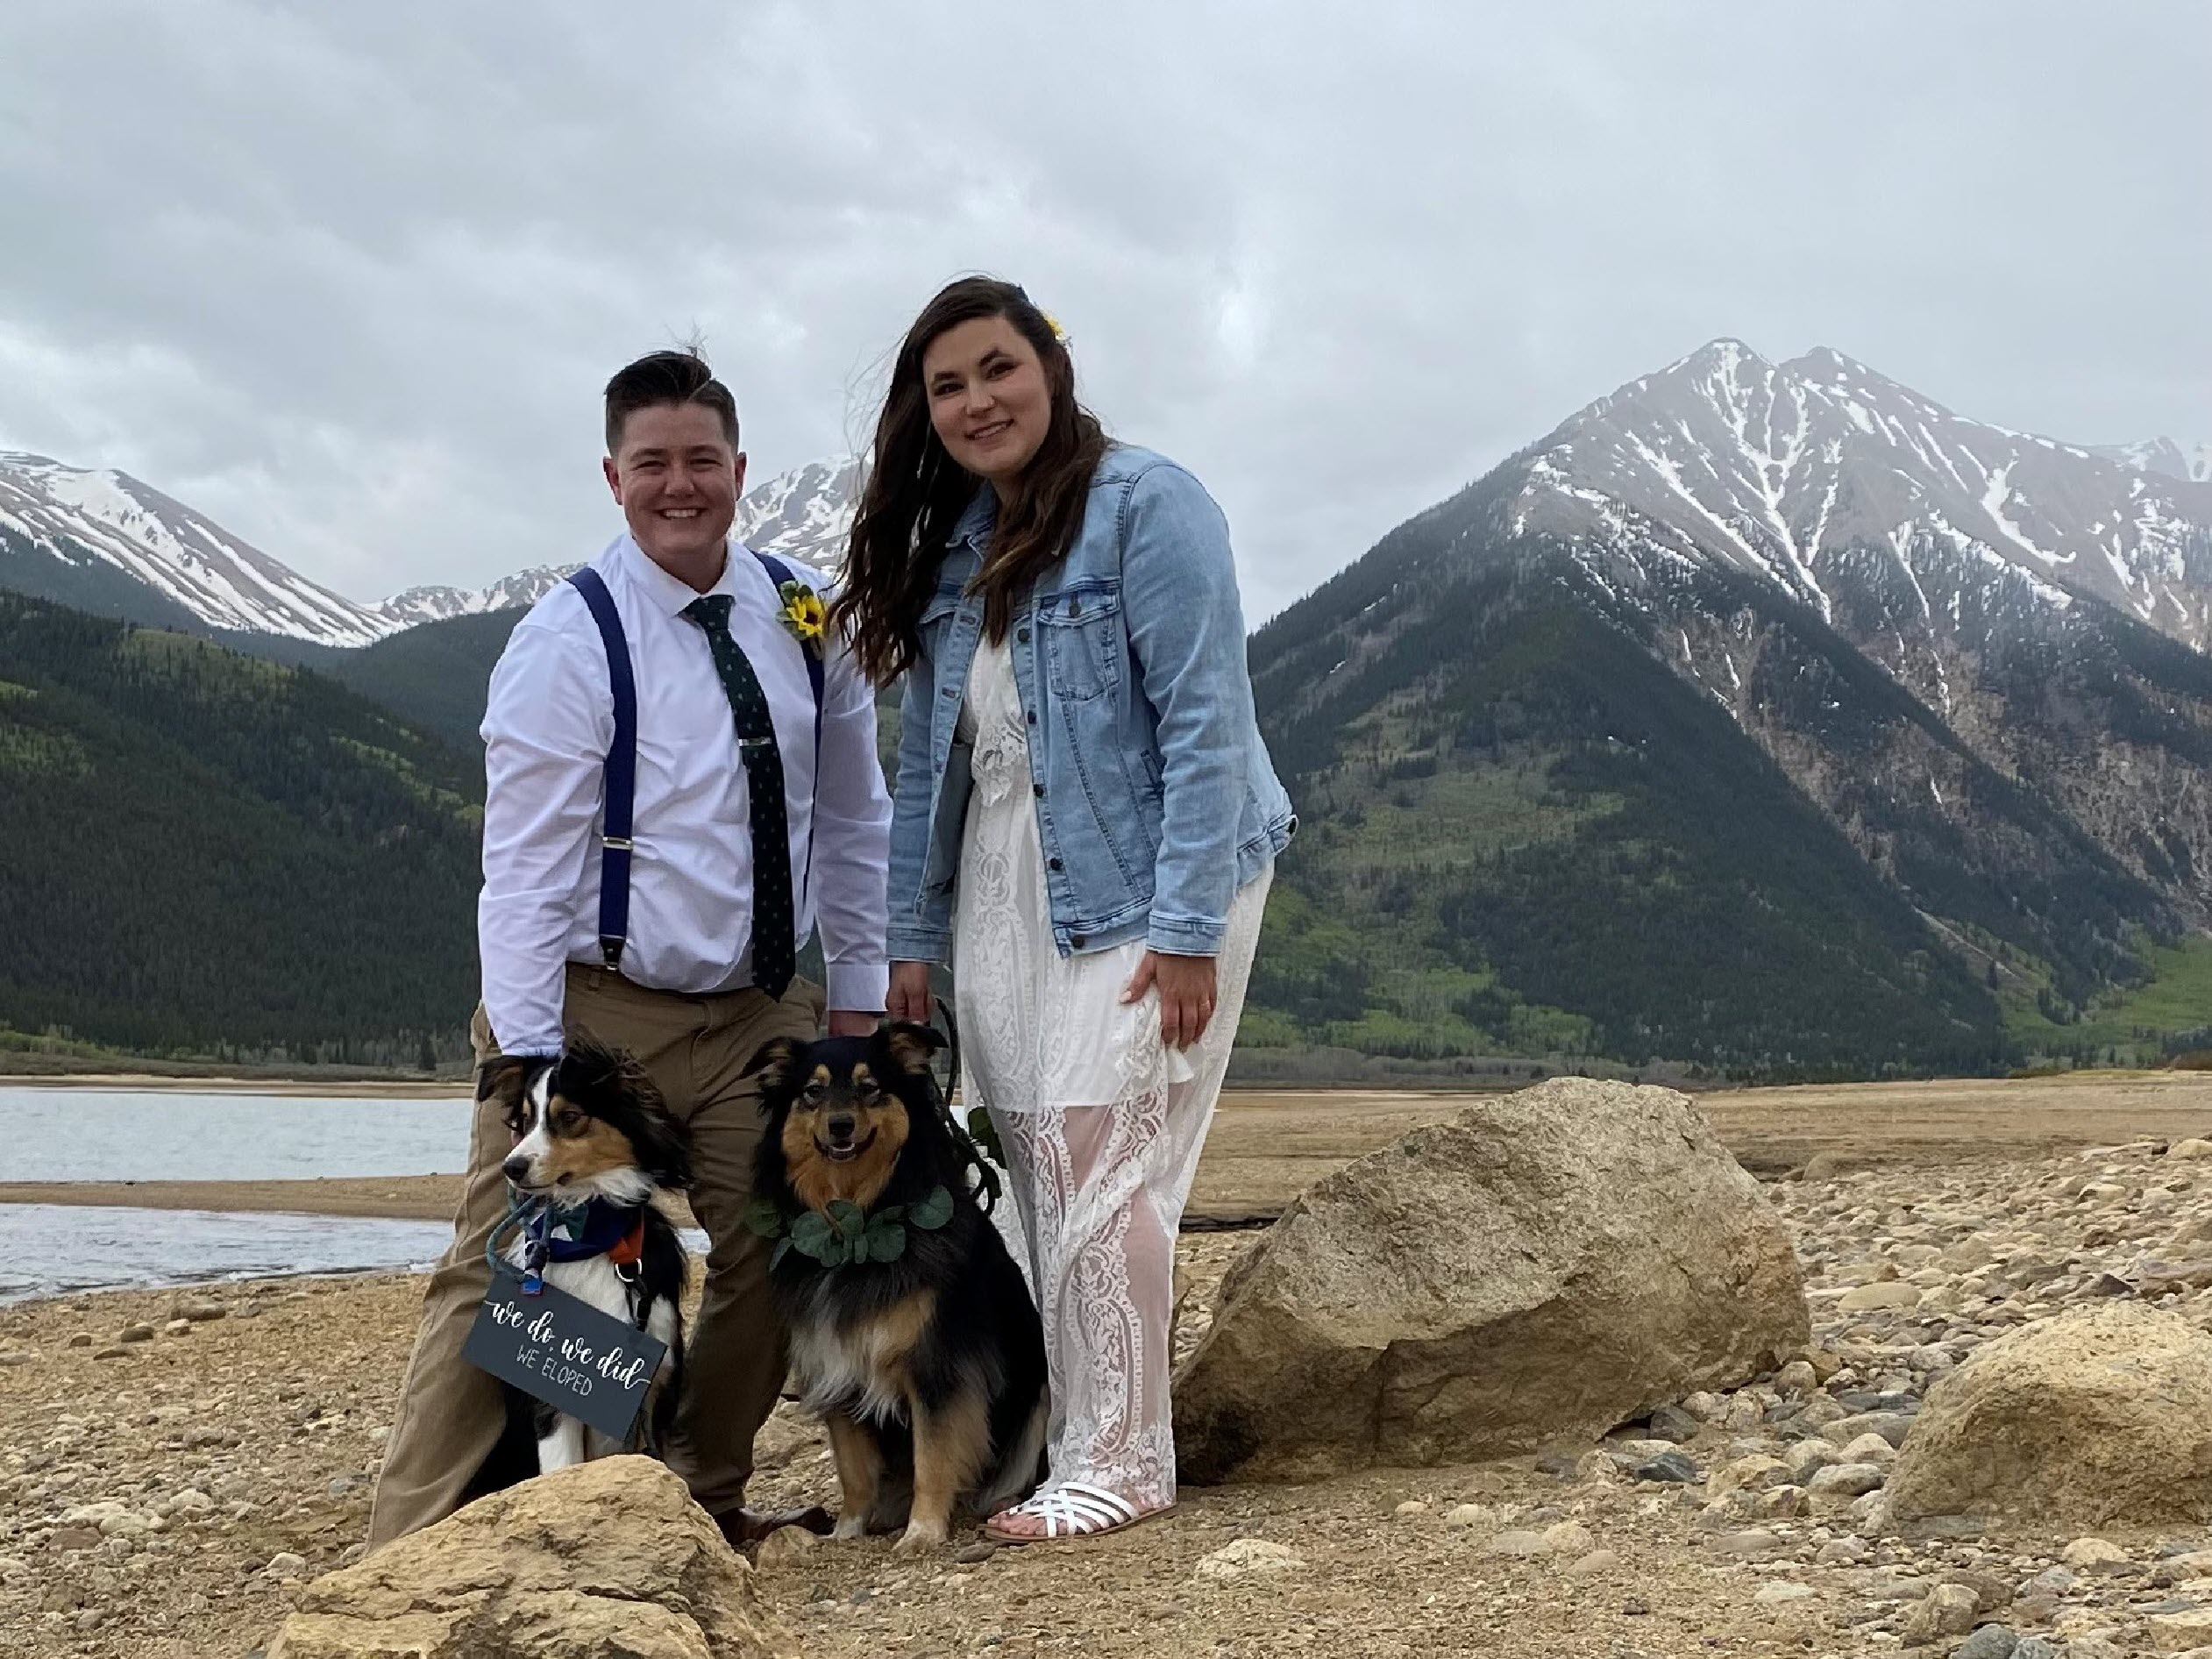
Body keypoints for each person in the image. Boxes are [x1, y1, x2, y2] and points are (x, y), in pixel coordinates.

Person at [366, 349, 892, 1550]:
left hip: (756, 1006)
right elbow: (527, 869)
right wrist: (531, 1062)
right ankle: (413, 1546)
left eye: (701, 460)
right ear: (613, 476)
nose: (680, 484)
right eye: (652, 463)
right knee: (523, 1257)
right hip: (599, 1007)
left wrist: (853, 998)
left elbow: (857, 820)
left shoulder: (810, 617)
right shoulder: (569, 641)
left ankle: (684, 1503)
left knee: (788, 1234)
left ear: (740, 469)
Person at [839, 276, 1294, 1542]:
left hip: (1145, 878)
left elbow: (1210, 720)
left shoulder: (1151, 504)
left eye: (998, 368)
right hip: (1001, 886)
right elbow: (927, 771)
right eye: (948, 386)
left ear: (1053, 363)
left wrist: (1189, 921)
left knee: (1102, 1161)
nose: (977, 400)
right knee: (1034, 1166)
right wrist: (911, 944)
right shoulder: (953, 557)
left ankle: (1127, 1462)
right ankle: (1073, 1443)